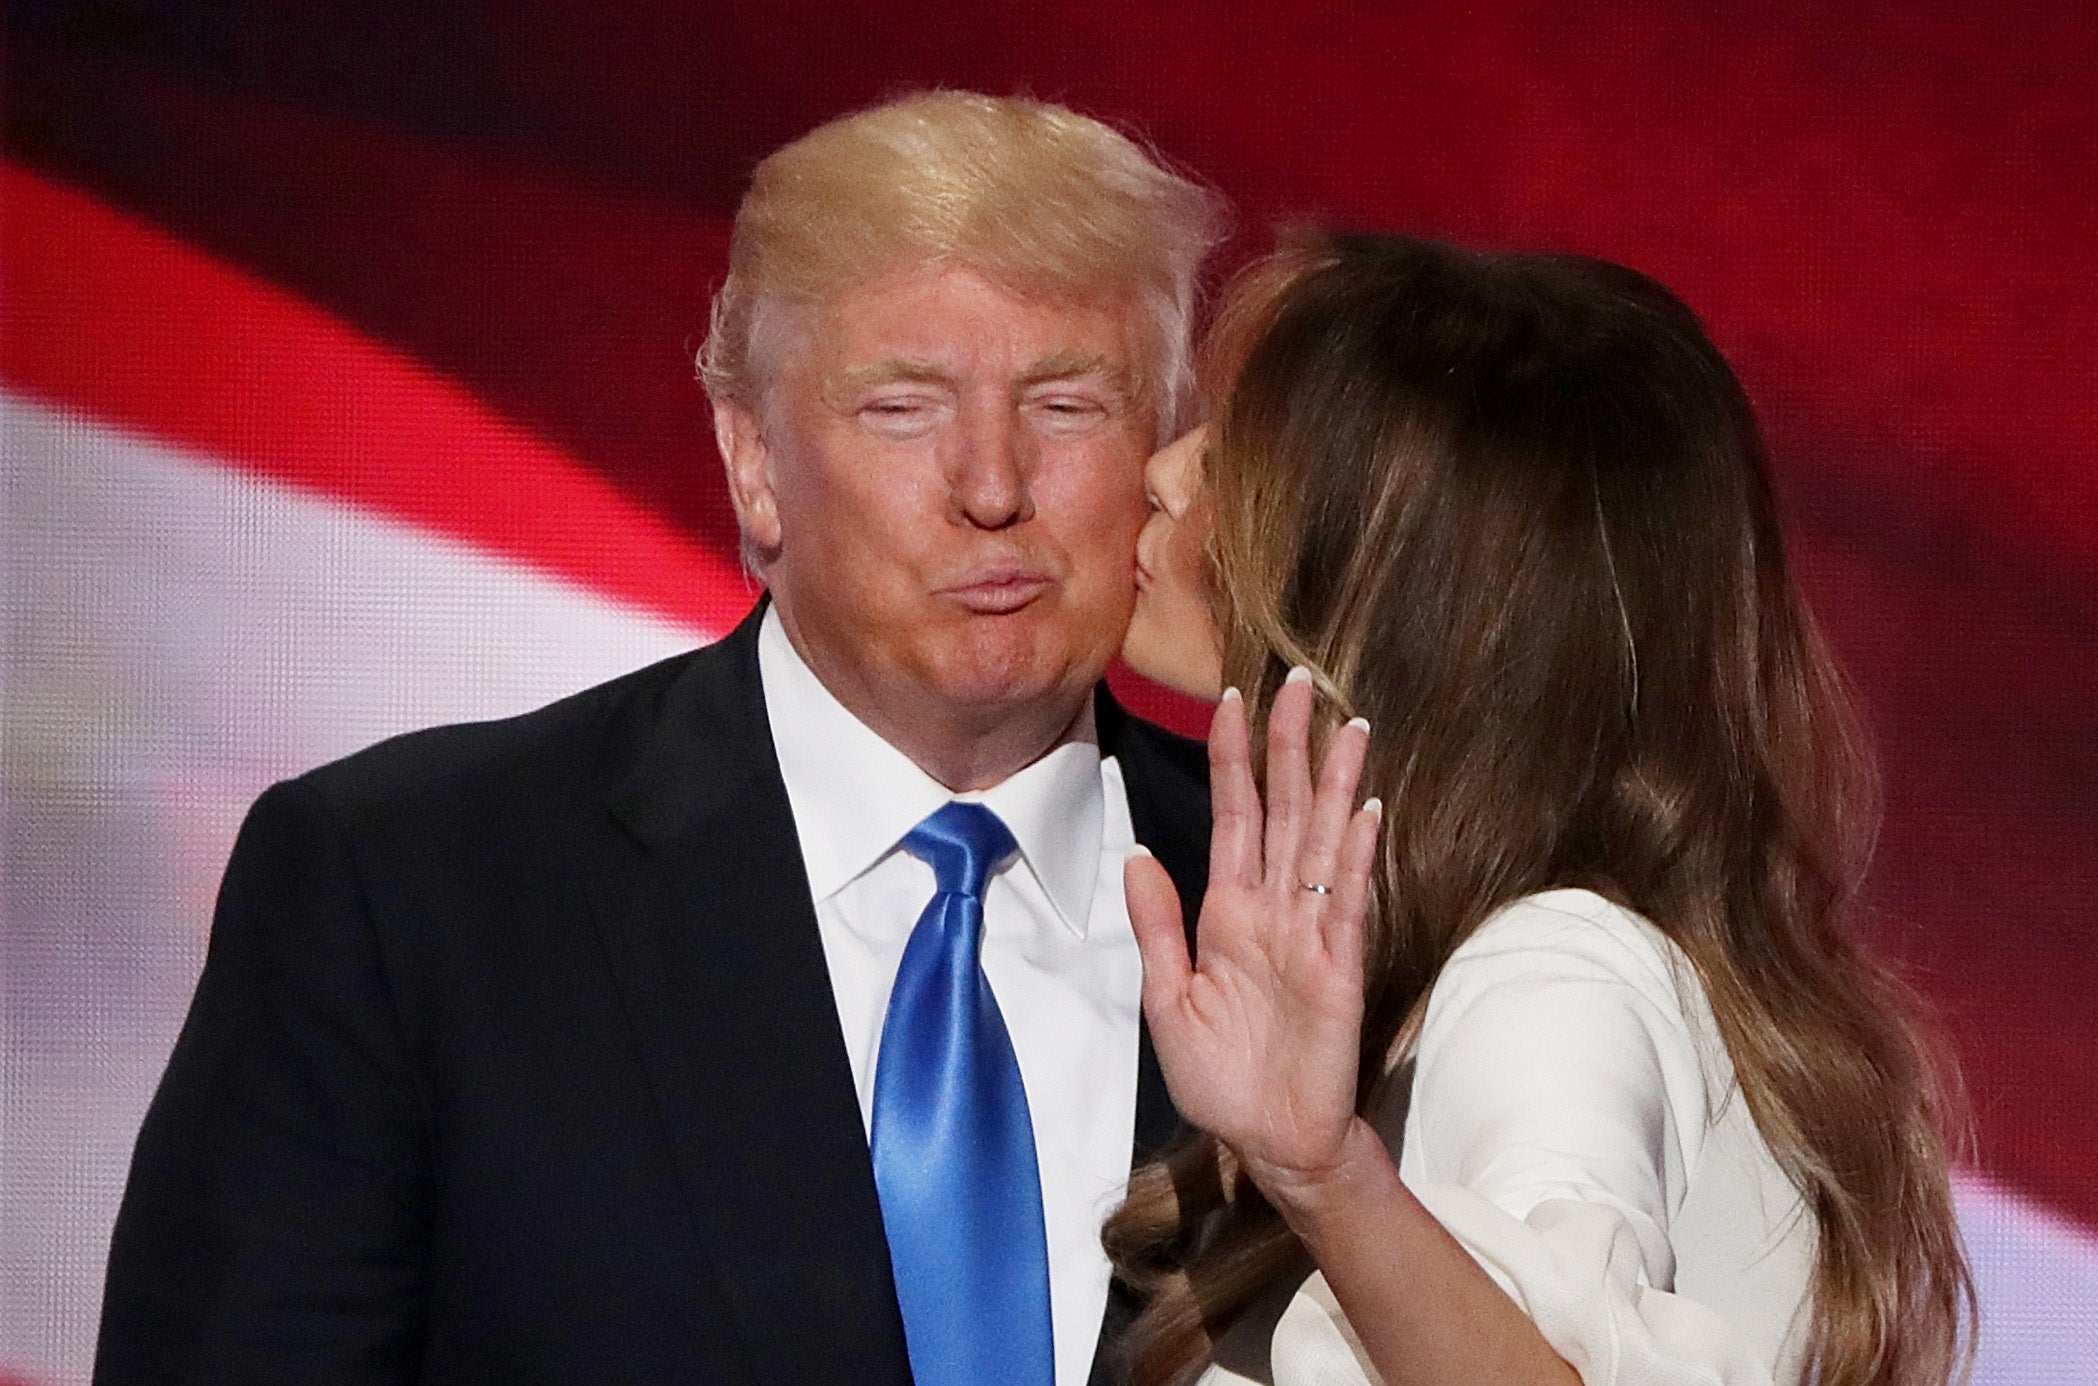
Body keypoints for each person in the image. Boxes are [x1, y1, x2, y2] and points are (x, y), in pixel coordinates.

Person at [94, 91, 1223, 1386]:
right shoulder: (407, 890)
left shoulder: (1331, 905)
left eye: (1066, 404)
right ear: (753, 461)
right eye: (903, 406)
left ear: (1161, 451)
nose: (991, 485)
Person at [1107, 232, 1973, 1386]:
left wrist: (1327, 1180)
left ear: (1388, 577)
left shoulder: (1550, 978)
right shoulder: (1524, 958)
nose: (1162, 472)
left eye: (1230, 455)